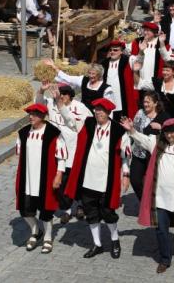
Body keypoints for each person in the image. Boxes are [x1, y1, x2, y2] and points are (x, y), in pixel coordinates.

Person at [121, 117, 174, 273]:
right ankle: (165, 259)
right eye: (166, 132)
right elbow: (143, 139)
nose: (169, 135)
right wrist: (131, 130)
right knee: (161, 230)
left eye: (172, 132)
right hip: (160, 198)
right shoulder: (158, 144)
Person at [64, 98, 127, 259]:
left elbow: (125, 156)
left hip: (107, 181)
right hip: (88, 179)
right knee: (91, 213)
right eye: (96, 109)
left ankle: (115, 240)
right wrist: (59, 101)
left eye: (101, 110)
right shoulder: (89, 123)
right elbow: (69, 120)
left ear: (108, 112)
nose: (98, 112)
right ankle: (97, 244)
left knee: (108, 212)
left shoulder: (119, 130)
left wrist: (126, 174)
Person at [35, 82, 92, 224]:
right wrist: (41, 91)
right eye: (59, 94)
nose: (61, 96)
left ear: (70, 95)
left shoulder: (80, 107)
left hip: (73, 151)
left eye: (64, 94)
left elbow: (74, 123)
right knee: (59, 182)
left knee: (74, 180)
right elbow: (39, 105)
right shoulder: (52, 103)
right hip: (56, 150)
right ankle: (67, 208)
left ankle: (78, 205)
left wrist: (60, 103)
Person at [15, 103, 68, 254]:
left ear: (42, 116)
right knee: (25, 210)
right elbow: (19, 153)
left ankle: (48, 238)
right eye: (30, 114)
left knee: (46, 211)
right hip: (28, 178)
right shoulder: (23, 132)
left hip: (45, 178)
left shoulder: (53, 133)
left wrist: (59, 175)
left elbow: (61, 156)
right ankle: (35, 231)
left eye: (34, 114)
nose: (30, 117)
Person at [128, 92, 172, 201]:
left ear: (155, 103)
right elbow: (134, 130)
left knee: (153, 183)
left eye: (148, 102)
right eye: (144, 102)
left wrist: (161, 127)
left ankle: (154, 204)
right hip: (139, 152)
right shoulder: (140, 113)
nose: (145, 104)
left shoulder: (164, 116)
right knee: (135, 181)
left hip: (154, 156)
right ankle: (144, 202)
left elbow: (172, 134)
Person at [48, 60, 114, 116]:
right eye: (89, 73)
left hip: (97, 116)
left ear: (99, 75)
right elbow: (68, 78)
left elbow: (109, 107)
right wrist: (54, 67)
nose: (91, 76)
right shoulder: (84, 80)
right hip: (83, 114)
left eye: (93, 74)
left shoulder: (106, 89)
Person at [130, 22, 174, 88]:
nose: (145, 32)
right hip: (140, 79)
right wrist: (140, 51)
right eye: (144, 30)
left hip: (157, 80)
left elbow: (168, 60)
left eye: (148, 30)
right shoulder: (137, 42)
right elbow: (132, 60)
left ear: (154, 32)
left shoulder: (163, 42)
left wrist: (162, 43)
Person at [101, 40, 139, 120]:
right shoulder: (104, 63)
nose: (112, 52)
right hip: (109, 97)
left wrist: (141, 51)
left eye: (115, 50)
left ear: (121, 51)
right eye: (110, 50)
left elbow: (139, 63)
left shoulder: (128, 60)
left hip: (122, 98)